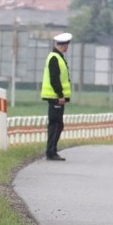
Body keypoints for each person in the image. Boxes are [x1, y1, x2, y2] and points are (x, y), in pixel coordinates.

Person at [41, 32, 73, 161]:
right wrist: (60, 95)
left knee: (58, 124)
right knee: (55, 124)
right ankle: (51, 152)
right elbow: (55, 79)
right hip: (55, 97)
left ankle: (52, 150)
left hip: (56, 97)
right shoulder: (55, 58)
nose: (67, 48)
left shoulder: (57, 57)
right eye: (67, 45)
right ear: (64, 45)